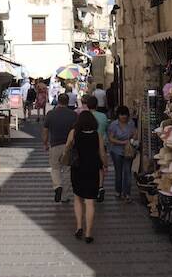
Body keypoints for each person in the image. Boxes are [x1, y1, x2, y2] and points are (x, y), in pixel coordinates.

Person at [64, 110, 107, 243]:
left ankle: (79, 227)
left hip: (77, 169)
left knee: (77, 198)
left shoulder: (74, 133)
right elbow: (102, 154)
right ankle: (88, 233)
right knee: (90, 202)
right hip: (92, 169)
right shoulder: (97, 135)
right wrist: (105, 166)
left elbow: (67, 149)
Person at [43, 92, 77, 202]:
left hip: (54, 145)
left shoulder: (50, 114)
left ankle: (57, 186)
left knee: (55, 168)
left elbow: (45, 130)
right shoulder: (73, 115)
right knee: (67, 171)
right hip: (68, 146)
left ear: (58, 101)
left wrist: (45, 143)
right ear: (68, 102)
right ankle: (65, 196)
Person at [108, 105, 138, 203]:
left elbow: (135, 133)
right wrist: (122, 142)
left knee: (127, 172)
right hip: (116, 151)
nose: (124, 117)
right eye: (121, 115)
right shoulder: (114, 125)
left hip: (128, 151)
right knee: (118, 172)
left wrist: (132, 140)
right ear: (118, 115)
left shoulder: (131, 123)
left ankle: (127, 193)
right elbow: (111, 138)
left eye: (125, 115)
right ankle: (118, 190)